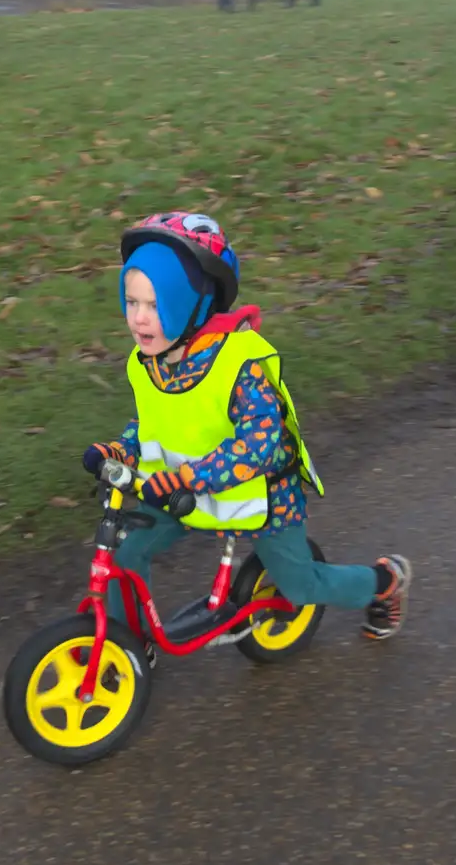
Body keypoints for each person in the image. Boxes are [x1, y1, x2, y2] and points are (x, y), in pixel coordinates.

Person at [82, 212, 412, 662]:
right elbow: (156, 420)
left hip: (262, 493)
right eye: (132, 301)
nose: (139, 319)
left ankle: (383, 582)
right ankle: (129, 649)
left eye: (156, 305)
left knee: (299, 584)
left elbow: (260, 446)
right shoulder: (148, 361)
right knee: (125, 551)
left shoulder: (241, 365)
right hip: (184, 490)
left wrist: (186, 478)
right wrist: (124, 447)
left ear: (196, 302)